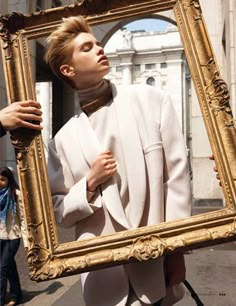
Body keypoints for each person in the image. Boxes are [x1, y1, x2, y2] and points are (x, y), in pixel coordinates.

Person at [45, 16, 192, 306]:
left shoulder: (151, 100)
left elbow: (176, 177)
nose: (100, 49)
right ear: (68, 69)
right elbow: (59, 211)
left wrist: (176, 250)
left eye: (98, 44)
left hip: (155, 269)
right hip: (102, 279)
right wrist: (88, 184)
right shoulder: (62, 140)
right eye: (87, 48)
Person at [0, 167, 27, 306]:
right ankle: (16, 295)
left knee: (2, 268)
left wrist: (27, 242)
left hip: (12, 236)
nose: (0, 182)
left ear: (9, 180)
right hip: (0, 236)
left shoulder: (16, 194)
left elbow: (23, 218)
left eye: (2, 179)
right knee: (9, 267)